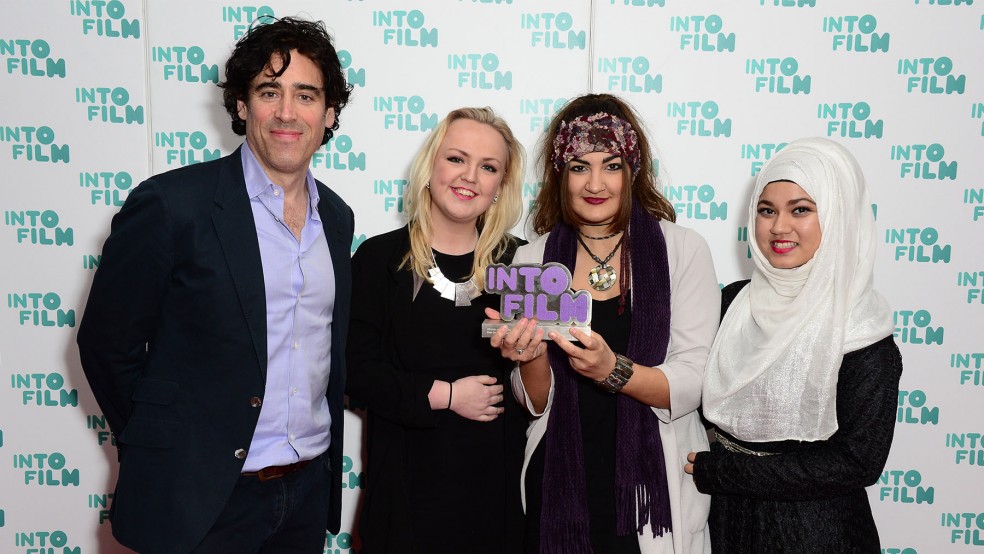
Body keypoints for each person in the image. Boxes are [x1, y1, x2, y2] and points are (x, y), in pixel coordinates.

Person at [76, 17, 353, 553]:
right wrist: (166, 447)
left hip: (305, 491)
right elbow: (107, 346)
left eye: (307, 95)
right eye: (269, 91)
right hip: (201, 499)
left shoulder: (337, 219)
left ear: (330, 112)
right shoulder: (172, 205)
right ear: (243, 105)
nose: (288, 113)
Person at [490, 93, 719, 553]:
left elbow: (696, 380)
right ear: (560, 174)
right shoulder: (533, 258)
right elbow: (535, 402)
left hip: (649, 488)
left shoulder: (683, 250)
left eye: (611, 165)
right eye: (578, 166)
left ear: (633, 170)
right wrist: (531, 357)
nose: (595, 182)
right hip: (559, 484)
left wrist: (612, 370)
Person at [686, 137, 903, 552]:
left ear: (838, 217)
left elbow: (857, 462)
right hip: (728, 523)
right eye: (766, 211)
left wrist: (723, 472)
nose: (778, 227)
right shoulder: (733, 303)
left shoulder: (860, 327)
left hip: (815, 532)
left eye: (800, 210)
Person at [346, 107, 527, 552]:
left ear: (500, 186)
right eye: (456, 159)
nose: (470, 176)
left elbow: (547, 389)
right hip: (406, 497)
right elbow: (354, 370)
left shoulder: (521, 264)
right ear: (431, 166)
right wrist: (445, 395)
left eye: (488, 167)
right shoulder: (380, 259)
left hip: (500, 502)